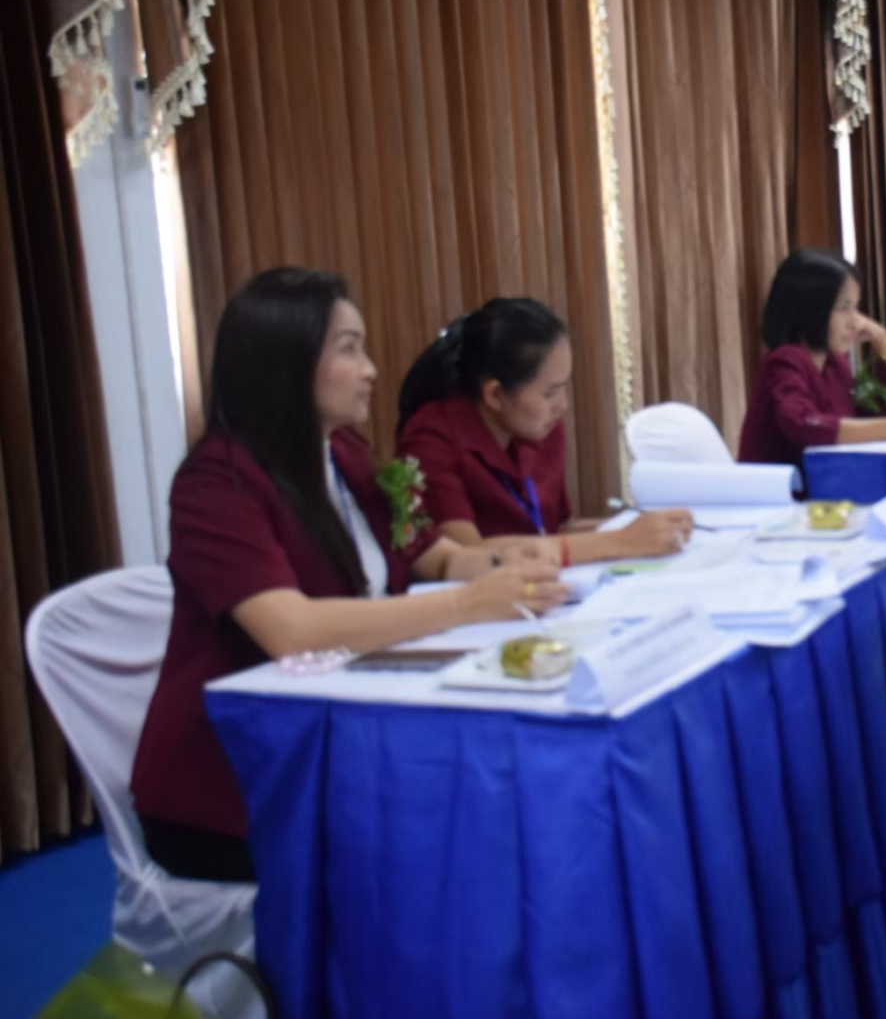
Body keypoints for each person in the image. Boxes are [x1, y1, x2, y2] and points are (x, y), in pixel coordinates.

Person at [132, 269, 569, 884]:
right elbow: (292, 630)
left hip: (340, 738)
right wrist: (467, 604)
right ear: (287, 360)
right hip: (240, 786)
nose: (370, 369)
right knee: (461, 836)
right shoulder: (218, 484)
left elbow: (432, 557)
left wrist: (508, 562)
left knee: (498, 806)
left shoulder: (345, 455)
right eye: (349, 349)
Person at [397, 299, 693, 565]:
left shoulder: (542, 429)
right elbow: (469, 554)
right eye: (549, 393)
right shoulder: (431, 440)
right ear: (495, 395)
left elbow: (555, 530)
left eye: (563, 388)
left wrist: (634, 527)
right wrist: (619, 541)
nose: (563, 406)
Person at [739, 248, 886, 470]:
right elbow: (804, 425)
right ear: (811, 309)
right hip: (781, 490)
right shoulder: (784, 362)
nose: (856, 322)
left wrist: (884, 347)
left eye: (855, 307)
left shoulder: (834, 364)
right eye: (845, 308)